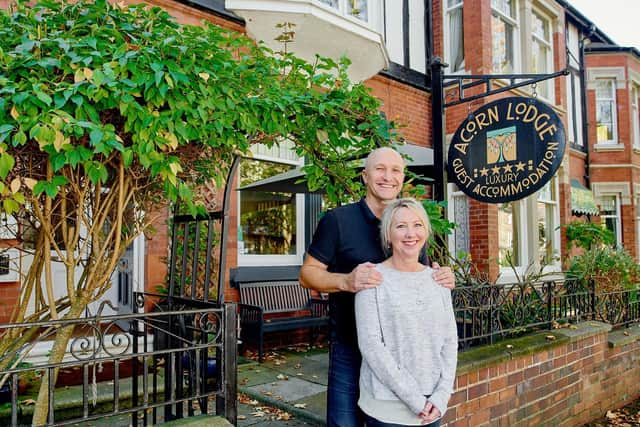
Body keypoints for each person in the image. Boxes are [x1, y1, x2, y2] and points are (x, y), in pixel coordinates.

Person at [299, 147, 455, 427]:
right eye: (380, 169)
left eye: (395, 170)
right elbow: (307, 274)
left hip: (401, 354)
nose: (388, 177)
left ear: (403, 177)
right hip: (350, 344)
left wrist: (442, 277)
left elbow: (419, 274)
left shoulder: (409, 226)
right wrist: (345, 281)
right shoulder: (338, 220)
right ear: (365, 176)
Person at [355, 198, 457, 426]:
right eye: (401, 226)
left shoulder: (438, 279)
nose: (410, 233)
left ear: (426, 232)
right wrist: (416, 401)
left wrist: (442, 396)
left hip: (433, 407)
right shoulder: (372, 279)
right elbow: (372, 347)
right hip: (387, 411)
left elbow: (450, 341)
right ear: (388, 235)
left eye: (417, 225)